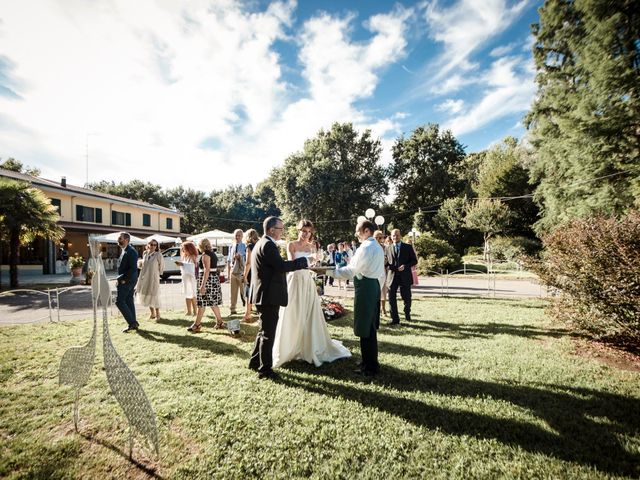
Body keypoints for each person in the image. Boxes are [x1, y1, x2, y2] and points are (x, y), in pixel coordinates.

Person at [272, 220, 351, 369]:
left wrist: (317, 263)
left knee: (309, 311)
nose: (306, 234)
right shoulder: (292, 245)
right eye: (304, 231)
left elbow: (313, 266)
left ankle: (310, 345)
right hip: (295, 280)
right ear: (298, 230)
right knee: (294, 311)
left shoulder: (312, 246)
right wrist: (310, 259)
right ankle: (291, 345)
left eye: (309, 232)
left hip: (308, 281)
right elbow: (293, 263)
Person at [248, 216, 309, 380]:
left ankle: (255, 362)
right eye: (281, 228)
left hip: (263, 293)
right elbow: (281, 266)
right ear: (271, 230)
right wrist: (302, 262)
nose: (283, 231)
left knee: (263, 331)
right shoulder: (268, 245)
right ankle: (265, 370)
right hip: (268, 295)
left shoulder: (261, 243)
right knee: (268, 333)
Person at [328, 220, 385, 377]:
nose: (355, 234)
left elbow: (350, 271)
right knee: (369, 327)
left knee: (365, 328)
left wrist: (328, 272)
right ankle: (368, 361)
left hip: (366, 287)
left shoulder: (366, 247)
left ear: (366, 231)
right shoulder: (377, 246)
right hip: (372, 286)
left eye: (357, 230)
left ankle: (370, 366)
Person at [188, 238, 224, 333]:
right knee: (211, 303)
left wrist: (203, 285)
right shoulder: (212, 253)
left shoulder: (205, 255)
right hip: (213, 279)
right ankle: (218, 322)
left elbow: (206, 270)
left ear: (201, 246)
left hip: (207, 281)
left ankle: (197, 325)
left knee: (203, 302)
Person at [387, 228, 418, 325]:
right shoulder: (388, 248)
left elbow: (414, 261)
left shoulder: (407, 247)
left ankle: (407, 313)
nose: (395, 237)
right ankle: (395, 319)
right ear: (391, 237)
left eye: (397, 235)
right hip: (392, 276)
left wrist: (405, 266)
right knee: (391, 298)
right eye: (393, 235)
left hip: (405, 276)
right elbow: (386, 263)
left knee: (407, 297)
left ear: (400, 236)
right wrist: (392, 267)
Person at [115, 232, 139, 333]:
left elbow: (133, 268)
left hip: (127, 280)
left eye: (120, 238)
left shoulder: (131, 251)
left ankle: (132, 323)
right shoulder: (124, 250)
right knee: (129, 300)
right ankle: (133, 323)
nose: (118, 239)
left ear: (126, 240)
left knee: (119, 301)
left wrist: (123, 279)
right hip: (127, 279)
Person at [136, 239, 164, 320]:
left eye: (155, 245)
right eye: (151, 244)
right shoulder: (145, 253)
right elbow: (143, 265)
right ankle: (152, 314)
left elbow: (161, 266)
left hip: (153, 278)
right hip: (144, 277)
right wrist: (140, 264)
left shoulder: (158, 254)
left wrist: (158, 274)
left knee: (154, 295)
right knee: (147, 295)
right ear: (148, 245)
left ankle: (158, 314)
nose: (153, 246)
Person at [227, 229, 247, 314]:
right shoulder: (231, 246)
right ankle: (233, 309)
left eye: (239, 235)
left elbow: (247, 261)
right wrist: (228, 274)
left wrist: (240, 257)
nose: (237, 237)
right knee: (233, 292)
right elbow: (229, 260)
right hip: (232, 272)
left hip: (241, 272)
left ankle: (248, 309)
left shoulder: (245, 246)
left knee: (244, 292)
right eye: (236, 235)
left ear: (242, 236)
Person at [242, 228, 259, 323]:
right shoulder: (259, 244)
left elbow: (248, 263)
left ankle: (247, 314)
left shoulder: (249, 246)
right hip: (259, 270)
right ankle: (250, 313)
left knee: (249, 293)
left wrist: (244, 276)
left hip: (252, 271)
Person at [178, 241, 198, 316]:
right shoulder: (185, 257)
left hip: (191, 279)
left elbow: (192, 267)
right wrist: (181, 264)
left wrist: (183, 264)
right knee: (187, 294)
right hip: (185, 278)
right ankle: (189, 311)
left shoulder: (193, 257)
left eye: (184, 249)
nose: (183, 251)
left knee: (193, 295)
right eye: (182, 249)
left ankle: (195, 311)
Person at [374, 230, 389, 316]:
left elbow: (388, 259)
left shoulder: (385, 247)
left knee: (383, 291)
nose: (379, 239)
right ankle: (376, 308)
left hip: (383, 271)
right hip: (374, 273)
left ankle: (383, 308)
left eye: (380, 237)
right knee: (375, 291)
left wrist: (386, 261)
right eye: (376, 237)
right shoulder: (370, 247)